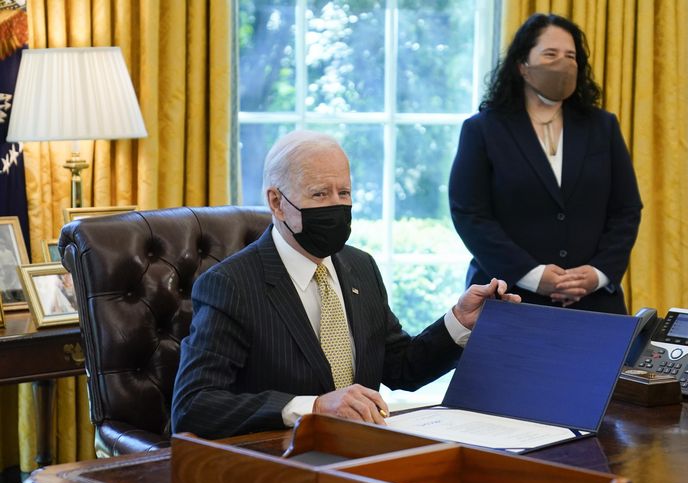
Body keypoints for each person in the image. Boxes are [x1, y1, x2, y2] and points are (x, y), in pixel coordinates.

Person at [171, 130, 519, 439]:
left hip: (363, 453)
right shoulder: (230, 285)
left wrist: (459, 320)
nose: (337, 206)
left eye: (344, 192)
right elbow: (194, 406)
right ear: (277, 202)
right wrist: (314, 407)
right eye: (320, 194)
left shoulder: (359, 266)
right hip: (279, 461)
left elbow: (400, 368)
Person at [448, 14, 642, 315]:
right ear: (522, 66)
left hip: (594, 302)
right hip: (508, 298)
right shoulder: (482, 130)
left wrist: (597, 273)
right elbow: (470, 214)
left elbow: (626, 209)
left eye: (570, 56)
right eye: (550, 55)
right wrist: (533, 276)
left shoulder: (603, 127)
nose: (562, 64)